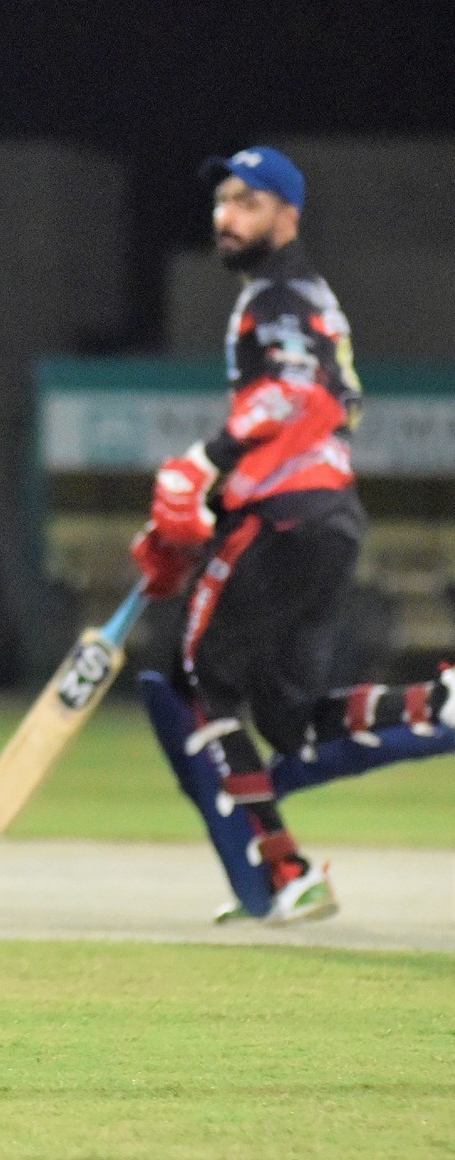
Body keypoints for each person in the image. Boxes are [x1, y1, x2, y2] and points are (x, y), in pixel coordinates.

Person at [130, 147, 455, 923]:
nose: (225, 215)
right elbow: (325, 403)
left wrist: (203, 463)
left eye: (247, 202)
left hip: (281, 515)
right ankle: (439, 701)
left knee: (195, 684)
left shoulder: (277, 293)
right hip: (326, 517)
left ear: (287, 214)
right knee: (287, 720)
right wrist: (204, 510)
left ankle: (281, 873)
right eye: (221, 201)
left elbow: (295, 391)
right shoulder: (304, 294)